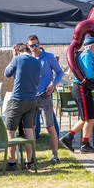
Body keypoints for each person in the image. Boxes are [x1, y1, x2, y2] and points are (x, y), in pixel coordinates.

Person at [59, 36, 94, 153]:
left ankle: (76, 140)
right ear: (93, 46)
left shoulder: (88, 55)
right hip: (81, 88)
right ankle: (78, 141)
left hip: (82, 88)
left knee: (89, 117)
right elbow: (89, 73)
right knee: (88, 118)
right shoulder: (86, 55)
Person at [27, 34, 64, 165]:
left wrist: (53, 84)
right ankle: (31, 158)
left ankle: (55, 155)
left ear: (40, 43)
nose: (34, 47)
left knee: (49, 126)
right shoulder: (28, 59)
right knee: (31, 128)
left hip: (44, 96)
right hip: (31, 97)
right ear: (28, 46)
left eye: (36, 44)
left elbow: (60, 72)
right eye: (32, 45)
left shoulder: (48, 57)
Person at [4, 43, 41, 170]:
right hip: (32, 99)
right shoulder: (37, 62)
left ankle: (12, 163)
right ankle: (29, 161)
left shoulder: (17, 59)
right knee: (29, 131)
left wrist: (13, 57)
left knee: (10, 131)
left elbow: (7, 73)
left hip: (17, 99)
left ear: (17, 51)